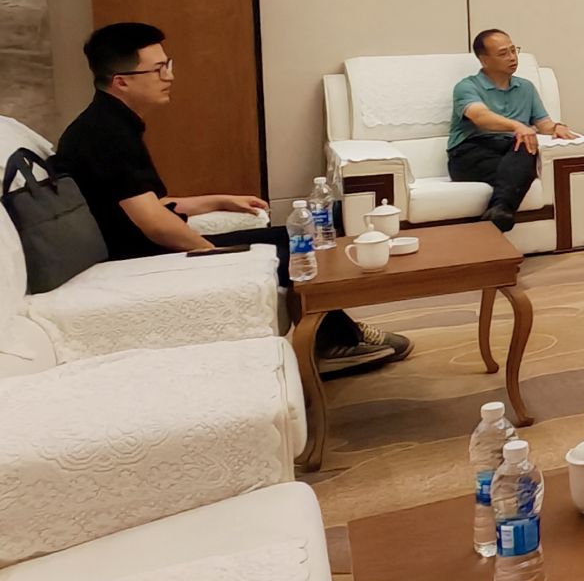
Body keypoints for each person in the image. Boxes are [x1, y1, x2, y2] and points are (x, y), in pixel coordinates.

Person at [51, 22, 409, 375]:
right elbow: (154, 223)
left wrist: (221, 200)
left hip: (144, 243)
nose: (169, 76)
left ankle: (336, 336)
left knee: (292, 237)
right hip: (139, 257)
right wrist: (212, 255)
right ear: (122, 81)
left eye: (168, 65)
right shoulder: (105, 135)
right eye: (158, 69)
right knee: (291, 249)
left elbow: (149, 203)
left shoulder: (110, 123)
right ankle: (336, 343)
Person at [448, 29, 583, 231]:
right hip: (470, 152)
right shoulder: (467, 86)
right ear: (484, 60)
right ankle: (499, 213)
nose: (512, 57)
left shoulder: (526, 87)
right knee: (523, 168)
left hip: (511, 149)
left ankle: (499, 212)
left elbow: (544, 124)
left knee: (526, 147)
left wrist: (557, 127)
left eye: (514, 50)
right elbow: (480, 116)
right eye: (503, 53)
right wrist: (517, 126)